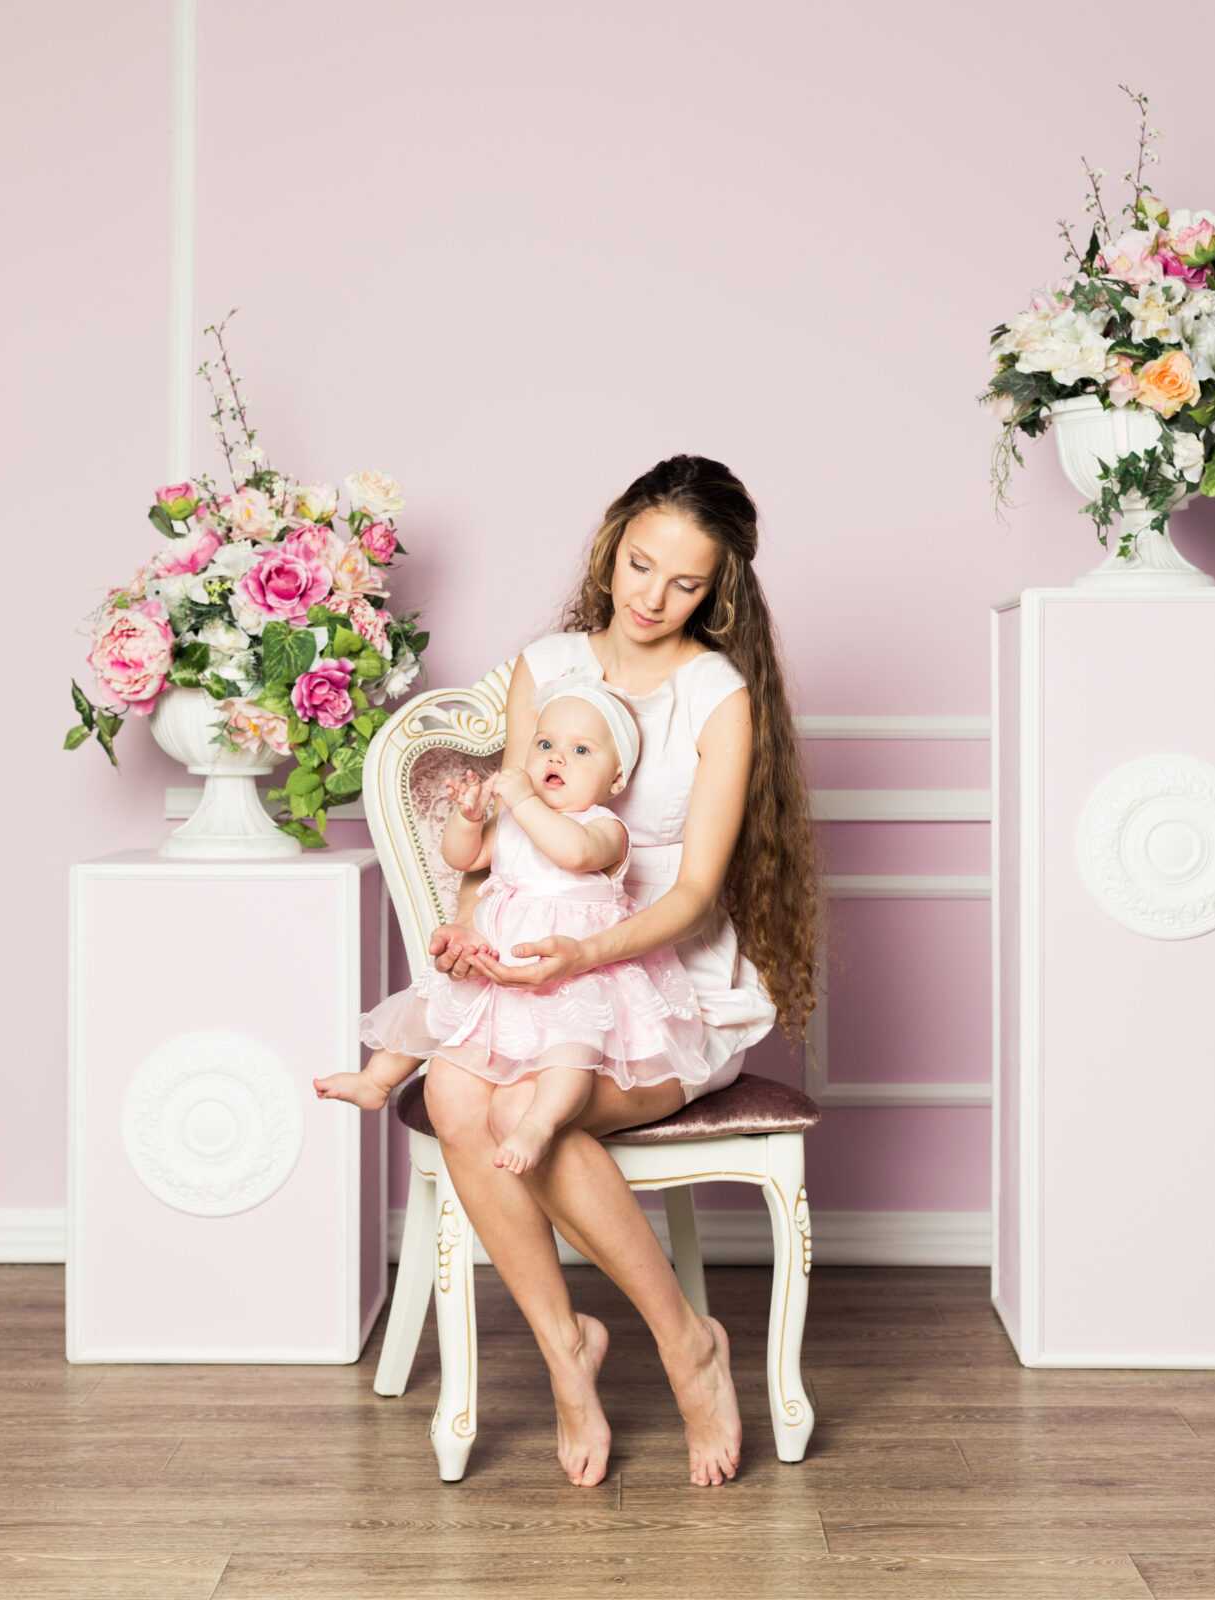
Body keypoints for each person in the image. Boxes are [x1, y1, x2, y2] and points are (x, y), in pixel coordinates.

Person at [409, 455, 816, 1489]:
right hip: (533, 978)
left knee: (520, 1114)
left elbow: (687, 899)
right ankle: (567, 1353)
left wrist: (586, 953)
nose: (651, 597)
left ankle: (687, 1343)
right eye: (640, 564)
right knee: (458, 1086)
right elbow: (510, 831)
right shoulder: (544, 663)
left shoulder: (719, 695)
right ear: (611, 543)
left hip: (667, 991)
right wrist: (469, 938)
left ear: (719, 589)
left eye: (684, 583)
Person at [315, 677, 715, 1173]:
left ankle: (540, 1123)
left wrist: (522, 801)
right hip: (498, 971)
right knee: (434, 1008)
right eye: (545, 744)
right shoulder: (511, 823)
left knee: (570, 1055)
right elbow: (464, 858)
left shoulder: (603, 828)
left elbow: (574, 853)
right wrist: (467, 818)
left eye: (580, 750)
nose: (556, 758)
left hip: (574, 978)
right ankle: (376, 1080)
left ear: (615, 780)